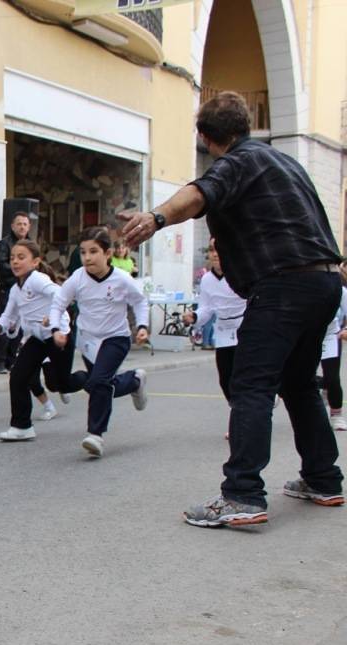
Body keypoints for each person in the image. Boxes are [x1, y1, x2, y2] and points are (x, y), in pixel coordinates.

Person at [121, 91, 345, 527]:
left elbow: (199, 193)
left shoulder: (238, 161)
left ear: (206, 138)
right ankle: (323, 478)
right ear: (243, 124)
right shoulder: (285, 163)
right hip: (322, 282)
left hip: (284, 284)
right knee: (298, 383)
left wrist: (157, 217)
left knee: (251, 384)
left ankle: (242, 493)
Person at [48, 226, 150, 458]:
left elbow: (140, 302)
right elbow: (58, 303)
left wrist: (142, 326)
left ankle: (96, 435)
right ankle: (134, 381)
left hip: (116, 338)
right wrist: (56, 329)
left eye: (93, 251)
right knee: (101, 384)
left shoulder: (122, 279)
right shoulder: (78, 278)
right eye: (83, 252)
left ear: (107, 253)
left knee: (99, 381)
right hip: (88, 340)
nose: (87, 257)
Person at [0, 240, 68, 442]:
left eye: (21, 257)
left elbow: (60, 294)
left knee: (61, 383)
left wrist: (53, 317)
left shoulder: (38, 279)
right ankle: (22, 426)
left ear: (35, 262)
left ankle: (101, 380)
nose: (15, 261)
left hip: (57, 334)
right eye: (12, 257)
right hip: (37, 338)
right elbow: (8, 316)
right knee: (18, 377)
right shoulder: (16, 289)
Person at [182, 238, 245, 411]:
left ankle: (244, 421)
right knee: (226, 381)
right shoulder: (207, 280)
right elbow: (206, 309)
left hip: (245, 331)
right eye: (211, 250)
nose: (215, 254)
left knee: (245, 380)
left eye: (219, 249)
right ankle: (239, 416)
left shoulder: (242, 272)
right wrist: (194, 317)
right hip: (223, 333)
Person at [0, 211, 32, 374]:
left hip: (26, 290)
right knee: (4, 323)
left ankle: (12, 360)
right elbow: (1, 265)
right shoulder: (3, 244)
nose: (22, 227)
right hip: (7, 290)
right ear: (12, 226)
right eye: (19, 223)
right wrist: (21, 270)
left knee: (20, 326)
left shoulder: (31, 245)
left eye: (25, 224)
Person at [318, 273, 347, 430]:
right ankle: (323, 388)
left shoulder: (340, 290)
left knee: (332, 377)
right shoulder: (301, 287)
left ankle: (336, 415)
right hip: (307, 335)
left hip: (330, 335)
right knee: (300, 376)